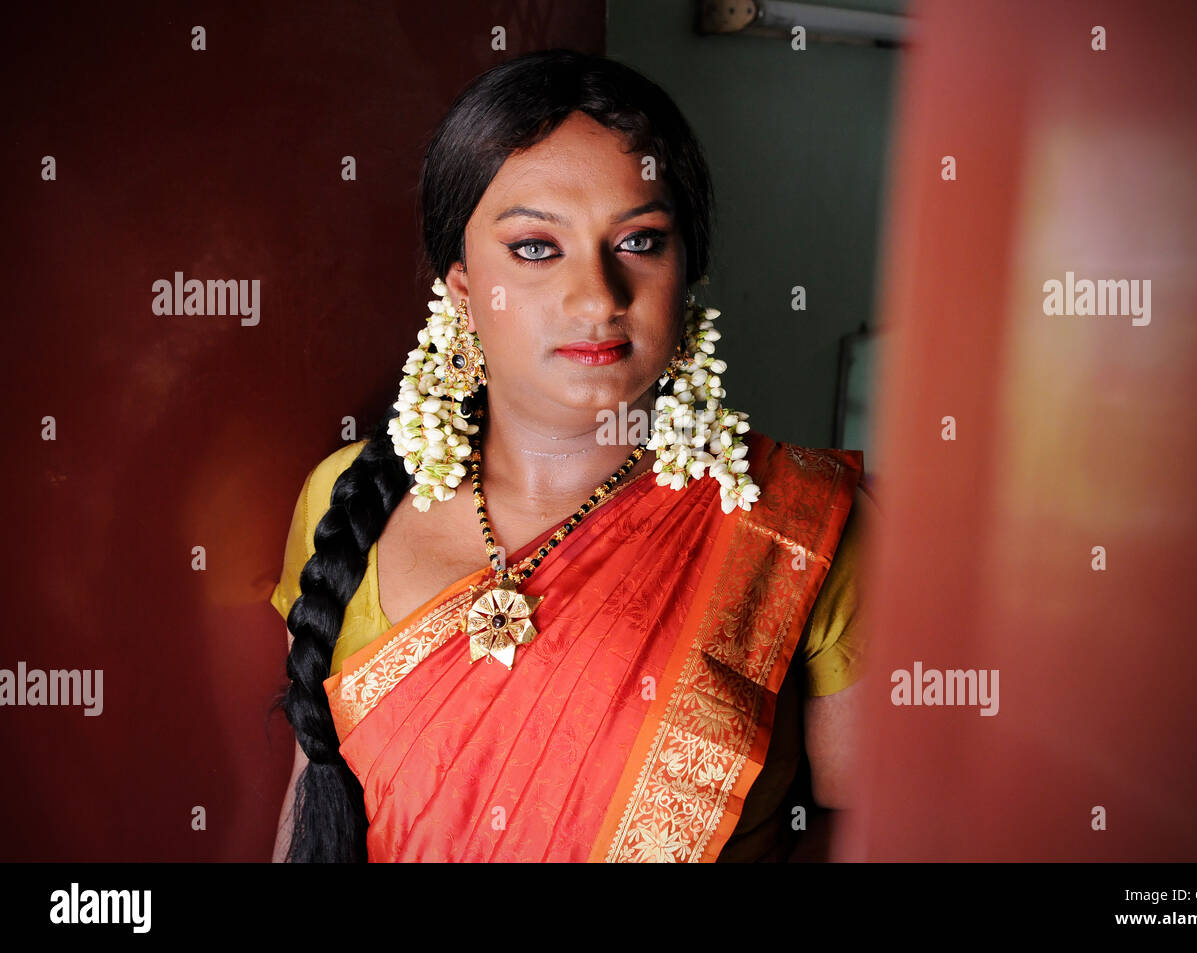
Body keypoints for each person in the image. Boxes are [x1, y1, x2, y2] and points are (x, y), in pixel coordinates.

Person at [269, 48, 873, 863]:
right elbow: (314, 796)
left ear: (686, 268)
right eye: (534, 248)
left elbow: (866, 817)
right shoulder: (345, 496)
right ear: (460, 284)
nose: (597, 297)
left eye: (640, 240)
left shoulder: (803, 526)